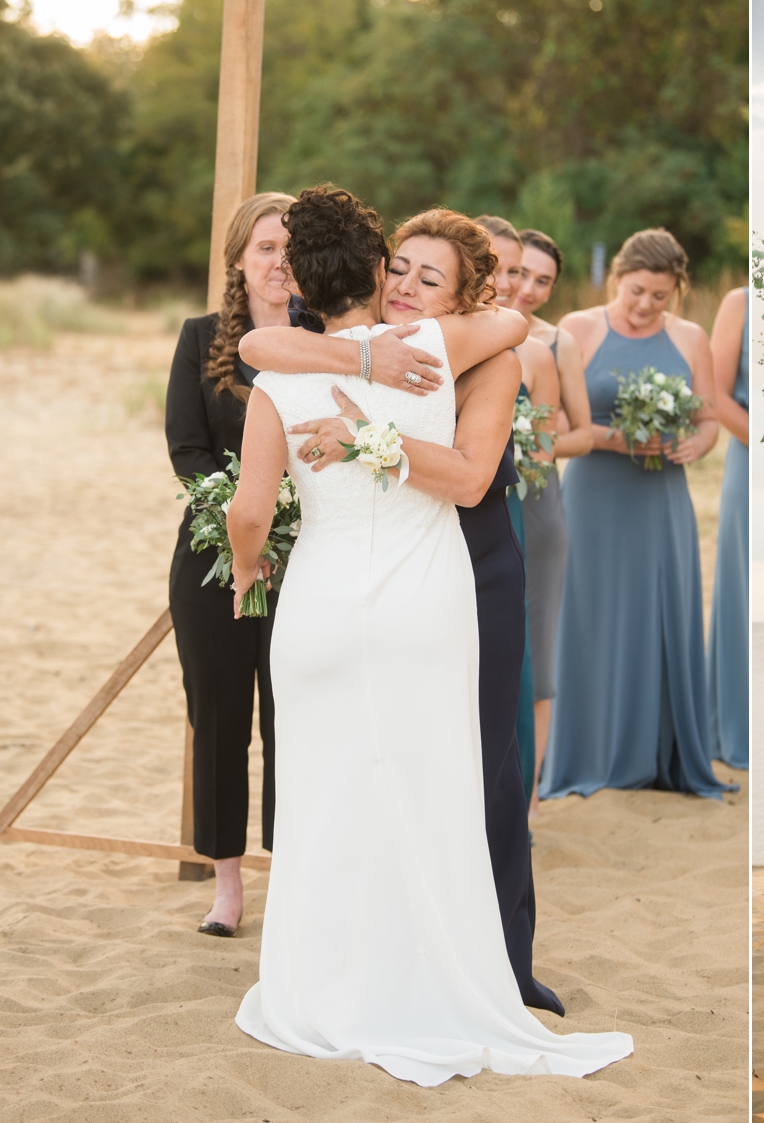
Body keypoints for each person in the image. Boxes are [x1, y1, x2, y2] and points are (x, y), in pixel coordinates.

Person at [225, 185, 632, 1084]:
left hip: (332, 598)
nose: (406, 283)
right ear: (375, 268)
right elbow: (265, 341)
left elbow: (249, 506)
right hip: (413, 600)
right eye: (398, 267)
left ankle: (330, 982)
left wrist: (251, 568)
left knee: (343, 792)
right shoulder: (424, 353)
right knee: (408, 791)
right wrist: (362, 358)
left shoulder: (334, 363)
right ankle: (412, 978)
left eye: (426, 275)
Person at [540, 229, 731, 799]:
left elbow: (709, 418)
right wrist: (617, 438)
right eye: (637, 291)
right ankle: (588, 754)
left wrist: (698, 445)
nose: (647, 305)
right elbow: (555, 426)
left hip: (661, 499)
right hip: (594, 494)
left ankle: (658, 756)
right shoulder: (576, 329)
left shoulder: (692, 337)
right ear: (616, 278)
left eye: (660, 296)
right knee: (586, 616)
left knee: (658, 616)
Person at [165, 190, 295, 938]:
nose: (279, 262)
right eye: (266, 248)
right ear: (240, 259)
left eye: (289, 249)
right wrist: (243, 523)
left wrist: (287, 529)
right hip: (214, 560)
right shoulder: (200, 336)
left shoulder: (323, 335)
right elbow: (186, 449)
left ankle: (293, 871)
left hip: (306, 561)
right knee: (218, 717)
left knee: (293, 716)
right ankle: (226, 884)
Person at [500, 225, 593, 812]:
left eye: (542, 280)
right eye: (517, 272)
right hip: (472, 505)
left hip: (536, 507)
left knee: (537, 649)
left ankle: (528, 800)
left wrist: (530, 445)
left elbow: (580, 433)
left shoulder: (555, 345)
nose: (525, 288)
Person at [705, 286, 749, 771]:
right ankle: (733, 726)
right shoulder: (739, 301)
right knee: (740, 585)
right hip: (750, 455)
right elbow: (716, 395)